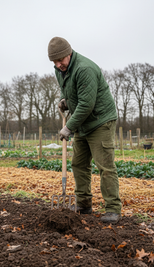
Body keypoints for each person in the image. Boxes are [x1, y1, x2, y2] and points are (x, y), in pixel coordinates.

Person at [48, 37, 121, 224]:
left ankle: (113, 209)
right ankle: (83, 204)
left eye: (60, 60)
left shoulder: (84, 69)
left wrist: (68, 127)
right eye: (54, 62)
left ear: (69, 53)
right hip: (82, 122)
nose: (58, 65)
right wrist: (65, 100)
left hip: (100, 120)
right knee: (79, 164)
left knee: (104, 166)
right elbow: (71, 91)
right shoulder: (60, 70)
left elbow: (87, 104)